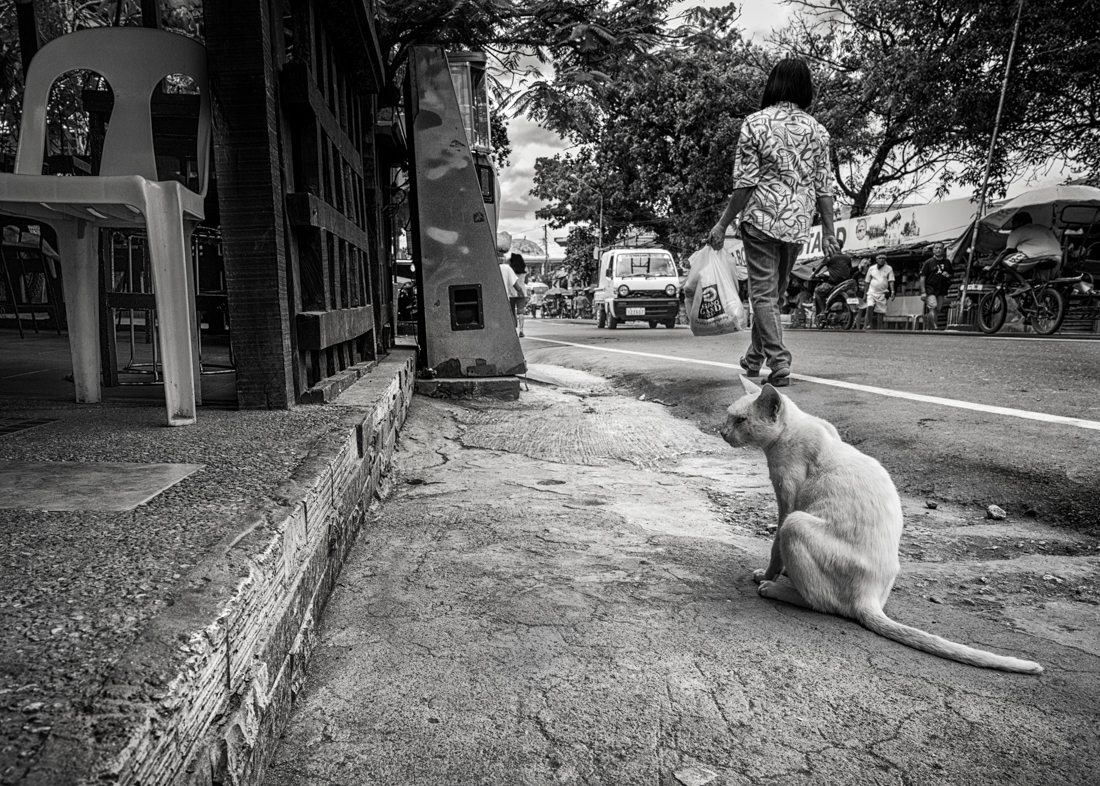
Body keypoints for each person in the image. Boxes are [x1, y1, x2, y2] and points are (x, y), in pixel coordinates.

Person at [706, 58, 837, 387]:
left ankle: (779, 362)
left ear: (773, 85)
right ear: (805, 87)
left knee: (764, 296)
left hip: (761, 220)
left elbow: (745, 183)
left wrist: (722, 225)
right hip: (797, 224)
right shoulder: (818, 131)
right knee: (772, 296)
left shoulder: (755, 124)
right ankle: (754, 357)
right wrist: (830, 232)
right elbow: (824, 188)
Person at [811, 247, 852, 325]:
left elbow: (819, 268)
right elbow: (849, 268)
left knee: (817, 291)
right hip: (845, 283)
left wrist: (813, 275)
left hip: (833, 284)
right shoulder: (847, 257)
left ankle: (823, 310)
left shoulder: (829, 258)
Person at [919, 242, 953, 330]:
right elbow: (922, 278)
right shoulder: (928, 262)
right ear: (933, 250)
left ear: (943, 250)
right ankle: (934, 326)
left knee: (938, 309)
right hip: (930, 288)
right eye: (936, 248)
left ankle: (929, 323)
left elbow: (952, 275)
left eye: (940, 248)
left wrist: (948, 275)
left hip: (942, 289)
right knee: (933, 305)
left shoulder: (947, 262)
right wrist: (923, 292)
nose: (938, 250)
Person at [862, 253, 895, 330]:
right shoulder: (871, 268)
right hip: (871, 292)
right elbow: (867, 281)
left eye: (883, 258)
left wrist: (892, 291)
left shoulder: (889, 268)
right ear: (876, 260)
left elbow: (891, 280)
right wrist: (865, 294)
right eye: (880, 258)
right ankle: (869, 324)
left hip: (882, 292)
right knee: (869, 307)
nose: (882, 260)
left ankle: (879, 327)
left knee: (880, 311)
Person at [499, 253, 524, 330]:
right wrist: (521, 293)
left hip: (492, 298)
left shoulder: (488, 267)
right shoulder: (506, 268)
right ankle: (515, 330)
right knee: (510, 315)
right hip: (505, 297)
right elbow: (516, 285)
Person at [508, 252, 528, 337]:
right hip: (522, 292)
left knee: (512, 312)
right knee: (521, 312)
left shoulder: (510, 269)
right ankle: (521, 330)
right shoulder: (525, 269)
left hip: (511, 292)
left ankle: (514, 330)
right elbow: (526, 281)